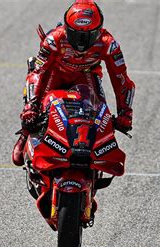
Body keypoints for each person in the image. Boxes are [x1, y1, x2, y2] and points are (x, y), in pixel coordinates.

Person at [12, 0, 135, 166]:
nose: (81, 42)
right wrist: (30, 108)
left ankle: (94, 151)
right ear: (66, 28)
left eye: (88, 35)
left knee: (100, 113)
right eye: (76, 34)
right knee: (34, 113)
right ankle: (25, 135)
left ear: (99, 31)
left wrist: (125, 113)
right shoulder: (54, 38)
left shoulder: (109, 44)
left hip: (85, 75)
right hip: (55, 74)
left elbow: (121, 79)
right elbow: (38, 73)